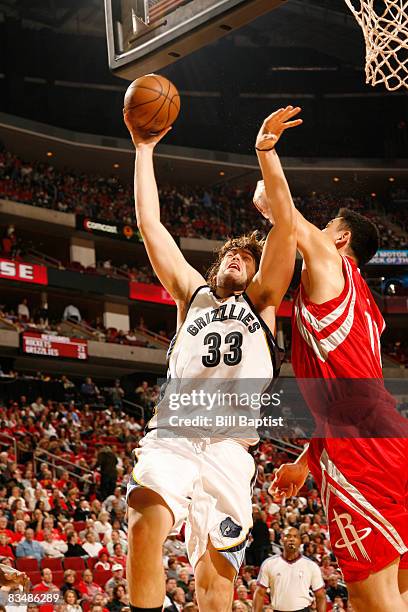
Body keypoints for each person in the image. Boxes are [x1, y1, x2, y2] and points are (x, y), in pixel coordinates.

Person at [123, 105, 300, 612]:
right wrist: (144, 149)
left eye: (246, 258)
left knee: (216, 585)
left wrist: (265, 153)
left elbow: (285, 228)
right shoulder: (190, 294)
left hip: (229, 447)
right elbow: (150, 224)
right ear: (216, 265)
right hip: (175, 434)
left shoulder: (263, 303)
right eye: (230, 256)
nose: (237, 260)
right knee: (144, 516)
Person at [253, 118, 408, 611]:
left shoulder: (331, 262)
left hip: (359, 450)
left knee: (370, 599)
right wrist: (306, 460)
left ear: (341, 241)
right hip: (388, 441)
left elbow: (285, 213)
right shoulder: (371, 311)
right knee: (399, 590)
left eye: (326, 230)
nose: (318, 234)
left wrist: (266, 152)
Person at [252, 527, 326, 612]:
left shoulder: (311, 565)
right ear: (282, 539)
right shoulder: (269, 564)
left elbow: (320, 596)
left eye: (295, 536)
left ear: (300, 541)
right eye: (288, 536)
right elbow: (260, 594)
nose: (292, 539)